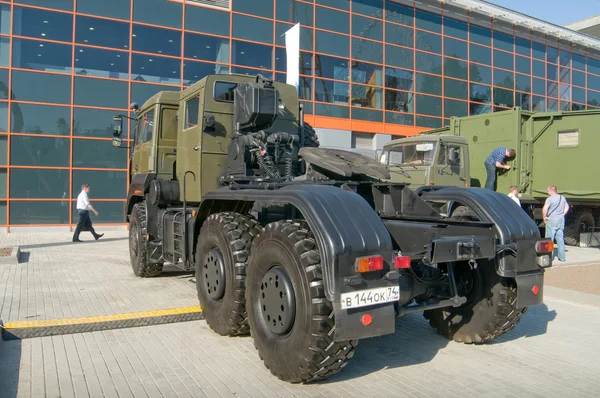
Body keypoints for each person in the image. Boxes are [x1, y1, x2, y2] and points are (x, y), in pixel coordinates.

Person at [542, 185, 569, 262]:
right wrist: (562, 214)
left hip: (552, 220)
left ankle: (549, 258)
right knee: (560, 239)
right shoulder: (562, 198)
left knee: (549, 239)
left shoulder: (549, 199)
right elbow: (567, 207)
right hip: (561, 220)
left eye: (547, 191)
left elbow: (545, 209)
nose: (547, 192)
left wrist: (544, 218)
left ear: (551, 191)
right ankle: (562, 257)